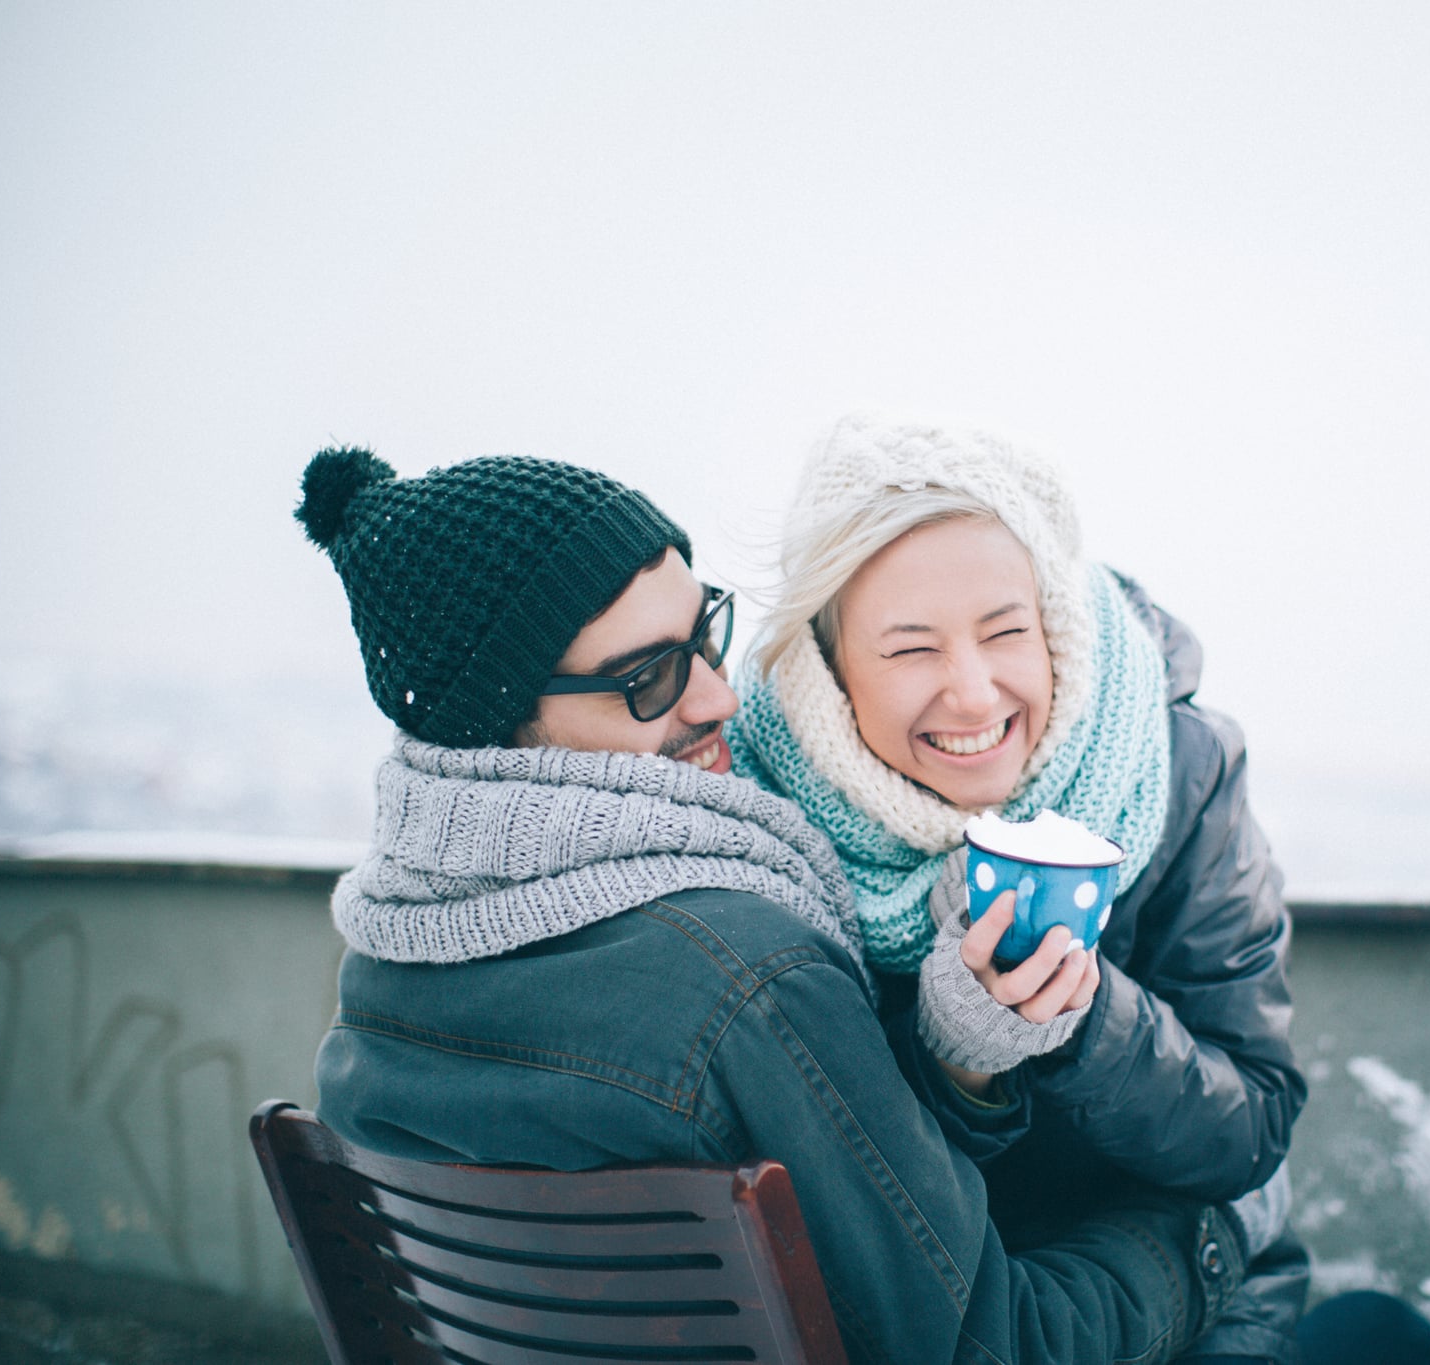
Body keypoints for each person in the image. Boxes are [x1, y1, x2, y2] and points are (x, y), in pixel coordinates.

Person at [293, 445, 1250, 1364]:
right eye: (647, 678)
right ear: (497, 728)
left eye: (706, 631)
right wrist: (1208, 1240)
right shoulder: (750, 976)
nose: (717, 696)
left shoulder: (376, 987)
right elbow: (994, 1345)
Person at [733, 415, 1343, 1363]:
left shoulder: (1173, 769)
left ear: (1056, 622)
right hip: (951, 1321)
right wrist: (955, 1061)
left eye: (1005, 632)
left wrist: (1085, 1018)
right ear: (830, 673)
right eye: (910, 649)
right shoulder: (766, 811)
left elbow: (1250, 1128)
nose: (974, 694)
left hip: (1184, 1282)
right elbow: (845, 1200)